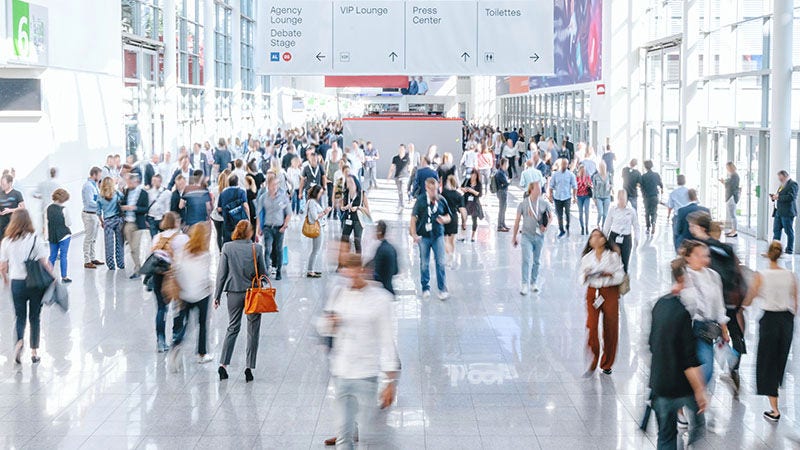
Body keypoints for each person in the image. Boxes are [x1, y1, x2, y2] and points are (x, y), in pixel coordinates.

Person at [316, 253, 400, 450]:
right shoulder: (338, 293)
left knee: (365, 437)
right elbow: (323, 327)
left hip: (366, 375)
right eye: (347, 272)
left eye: (356, 272)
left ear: (365, 271)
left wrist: (390, 382)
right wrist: (330, 324)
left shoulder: (381, 300)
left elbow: (387, 340)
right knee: (343, 435)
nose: (351, 277)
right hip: (341, 372)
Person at [649, 258, 707, 448]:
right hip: (679, 387)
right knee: (698, 429)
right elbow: (688, 358)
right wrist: (699, 390)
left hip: (659, 384)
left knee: (665, 437)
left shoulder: (659, 304)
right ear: (684, 279)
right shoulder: (682, 313)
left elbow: (651, 343)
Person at [686, 210, 748, 391]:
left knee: (704, 345)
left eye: (692, 226)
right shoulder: (726, 248)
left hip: (711, 307)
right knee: (734, 334)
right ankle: (733, 367)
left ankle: (698, 382)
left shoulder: (698, 249)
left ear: (700, 227)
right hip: (731, 300)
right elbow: (737, 270)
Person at [742, 241, 797, 422]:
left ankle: (774, 409)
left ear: (768, 255)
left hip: (770, 321)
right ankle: (777, 391)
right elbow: (795, 305)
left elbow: (748, 300)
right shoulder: (790, 275)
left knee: (767, 362)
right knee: (780, 359)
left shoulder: (761, 275)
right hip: (786, 320)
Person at [215, 220, 267, 383]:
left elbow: (222, 274)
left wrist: (217, 296)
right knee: (253, 329)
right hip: (252, 293)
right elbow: (264, 274)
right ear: (250, 232)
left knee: (233, 327)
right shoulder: (256, 248)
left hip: (233, 292)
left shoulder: (227, 247)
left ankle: (223, 365)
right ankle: (248, 367)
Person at [0, 210, 55, 365]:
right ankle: (34, 352)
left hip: (16, 283)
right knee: (35, 317)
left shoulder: (6, 241)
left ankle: (19, 342)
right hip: (35, 283)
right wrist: (53, 276)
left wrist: (5, 280)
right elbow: (45, 262)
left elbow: (2, 266)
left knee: (20, 316)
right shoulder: (35, 239)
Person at [679, 240, 730, 386]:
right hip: (686, 326)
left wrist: (724, 329)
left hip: (705, 328)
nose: (703, 258)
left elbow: (720, 304)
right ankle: (686, 398)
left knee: (707, 367)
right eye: (698, 255)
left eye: (705, 255)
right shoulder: (682, 274)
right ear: (688, 257)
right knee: (685, 364)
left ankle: (695, 396)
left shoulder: (714, 276)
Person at [169, 223, 214, 371]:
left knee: (184, 323)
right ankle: (201, 353)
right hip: (201, 294)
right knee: (202, 324)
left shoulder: (183, 251)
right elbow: (204, 276)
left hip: (184, 293)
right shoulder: (205, 255)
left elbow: (176, 268)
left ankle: (177, 344)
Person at [580, 229, 625, 375]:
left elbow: (621, 275)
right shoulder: (586, 258)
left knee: (611, 327)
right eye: (592, 237)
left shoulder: (612, 256)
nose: (595, 239)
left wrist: (610, 274)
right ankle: (594, 357)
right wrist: (586, 275)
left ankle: (607, 363)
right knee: (592, 325)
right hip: (593, 292)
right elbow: (580, 278)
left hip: (609, 291)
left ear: (604, 239)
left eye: (598, 236)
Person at [149, 212, 188, 352]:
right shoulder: (182, 238)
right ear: (176, 222)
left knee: (161, 308)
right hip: (175, 276)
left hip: (158, 275)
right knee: (179, 307)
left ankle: (160, 340)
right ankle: (176, 335)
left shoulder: (157, 237)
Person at [410, 178, 451, 300]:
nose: (434, 192)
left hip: (437, 235)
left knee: (440, 262)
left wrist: (444, 219)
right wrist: (413, 234)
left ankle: (442, 288)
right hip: (424, 237)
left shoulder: (442, 200)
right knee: (424, 263)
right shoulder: (421, 201)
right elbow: (413, 218)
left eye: (436, 189)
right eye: (431, 189)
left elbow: (449, 216)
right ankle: (425, 288)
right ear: (427, 188)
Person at [512, 182, 552, 295]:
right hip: (526, 236)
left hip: (539, 236)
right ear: (531, 190)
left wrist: (547, 227)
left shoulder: (544, 203)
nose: (540, 190)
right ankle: (524, 284)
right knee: (526, 259)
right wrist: (514, 236)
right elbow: (517, 221)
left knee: (537, 261)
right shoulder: (523, 204)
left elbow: (550, 217)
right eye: (538, 188)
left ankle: (534, 282)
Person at [257, 173, 292, 280]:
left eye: (276, 185)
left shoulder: (283, 197)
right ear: (268, 185)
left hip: (279, 227)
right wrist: (259, 227)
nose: (275, 187)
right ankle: (265, 272)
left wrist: (285, 226)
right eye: (273, 185)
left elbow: (289, 213)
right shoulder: (263, 198)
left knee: (279, 249)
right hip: (268, 227)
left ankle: (278, 271)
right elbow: (259, 213)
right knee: (267, 249)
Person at [603, 190, 640, 274]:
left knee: (625, 263)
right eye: (620, 199)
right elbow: (607, 224)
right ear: (617, 199)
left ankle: (624, 283)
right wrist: (604, 238)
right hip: (614, 237)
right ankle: (612, 284)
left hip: (626, 238)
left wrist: (637, 237)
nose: (622, 201)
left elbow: (636, 226)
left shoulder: (631, 211)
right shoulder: (613, 209)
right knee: (612, 263)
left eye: (624, 199)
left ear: (626, 199)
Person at [121, 174, 149, 278]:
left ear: (136, 182)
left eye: (130, 183)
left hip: (138, 224)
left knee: (135, 247)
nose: (128, 184)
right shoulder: (128, 191)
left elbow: (145, 209)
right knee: (132, 248)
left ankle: (138, 269)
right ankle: (138, 267)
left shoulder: (143, 194)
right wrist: (123, 207)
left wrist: (134, 208)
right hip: (128, 223)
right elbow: (123, 202)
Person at [97, 177, 125, 270]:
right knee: (119, 243)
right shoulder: (117, 193)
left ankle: (111, 265)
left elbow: (98, 212)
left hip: (107, 221)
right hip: (118, 220)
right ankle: (120, 263)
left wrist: (102, 222)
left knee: (109, 244)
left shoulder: (100, 196)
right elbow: (124, 200)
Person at [46, 189, 72, 283]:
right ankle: (64, 277)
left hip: (52, 236)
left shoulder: (48, 208)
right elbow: (68, 223)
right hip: (64, 236)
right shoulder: (64, 209)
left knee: (52, 256)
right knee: (63, 256)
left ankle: (48, 276)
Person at [305, 185, 331, 278]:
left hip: (319, 227)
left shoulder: (313, 202)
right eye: (320, 193)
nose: (321, 195)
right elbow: (315, 216)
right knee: (316, 250)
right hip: (317, 228)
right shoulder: (312, 202)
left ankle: (311, 269)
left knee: (316, 249)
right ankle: (310, 270)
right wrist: (325, 212)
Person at [340, 175, 370, 256]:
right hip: (348, 219)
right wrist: (346, 207)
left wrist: (357, 208)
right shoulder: (345, 193)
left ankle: (358, 264)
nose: (349, 184)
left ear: (355, 182)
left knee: (357, 241)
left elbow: (367, 210)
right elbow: (341, 208)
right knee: (344, 240)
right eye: (348, 182)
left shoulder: (361, 194)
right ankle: (342, 263)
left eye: (351, 182)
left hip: (358, 220)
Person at [770, 170, 798, 254]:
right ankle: (775, 250)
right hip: (778, 211)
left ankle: (789, 250)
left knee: (788, 231)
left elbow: (791, 197)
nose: (780, 180)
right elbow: (779, 195)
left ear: (785, 176)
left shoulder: (793, 184)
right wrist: (774, 197)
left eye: (781, 178)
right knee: (776, 231)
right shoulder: (782, 185)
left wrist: (778, 197)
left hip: (787, 212)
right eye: (779, 179)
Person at [81, 167, 104, 269]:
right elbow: (90, 202)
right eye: (99, 175)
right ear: (94, 174)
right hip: (89, 215)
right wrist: (102, 204)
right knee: (89, 238)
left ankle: (92, 258)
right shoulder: (88, 186)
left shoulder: (94, 186)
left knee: (94, 239)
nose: (100, 177)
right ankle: (87, 261)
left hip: (94, 214)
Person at [548, 159, 577, 238]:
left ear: (567, 165)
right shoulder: (555, 174)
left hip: (567, 197)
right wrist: (550, 196)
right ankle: (561, 230)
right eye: (563, 164)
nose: (564, 166)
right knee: (559, 215)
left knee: (567, 213)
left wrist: (574, 197)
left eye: (566, 164)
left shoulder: (570, 175)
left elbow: (574, 186)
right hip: (557, 197)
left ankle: (567, 226)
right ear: (561, 164)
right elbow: (551, 186)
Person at [218, 174, 250, 244]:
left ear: (228, 183)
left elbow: (219, 209)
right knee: (241, 240)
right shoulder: (241, 192)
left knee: (228, 242)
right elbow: (245, 206)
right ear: (237, 182)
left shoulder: (223, 193)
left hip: (227, 221)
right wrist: (248, 218)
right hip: (240, 221)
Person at [441, 176, 465, 266]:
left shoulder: (444, 193)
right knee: (452, 240)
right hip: (454, 217)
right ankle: (452, 255)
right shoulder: (458, 195)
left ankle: (449, 255)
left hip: (445, 217)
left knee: (445, 239)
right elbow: (462, 210)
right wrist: (464, 222)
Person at [371, 220, 399, 296]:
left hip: (383, 291)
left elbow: (376, 272)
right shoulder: (392, 248)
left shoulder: (380, 249)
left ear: (379, 232)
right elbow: (396, 270)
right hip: (390, 289)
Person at [0, 174, 26, 243]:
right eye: (1, 183)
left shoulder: (17, 194)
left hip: (13, 224)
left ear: (10, 183)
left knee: (12, 244)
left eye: (3, 184)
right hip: (1, 224)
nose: (1, 185)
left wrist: (10, 210)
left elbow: (23, 208)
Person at [33, 168, 59, 236]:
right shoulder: (56, 184)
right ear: (55, 174)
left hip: (44, 206)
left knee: (44, 223)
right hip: (53, 207)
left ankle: (45, 238)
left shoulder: (42, 184)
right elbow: (59, 196)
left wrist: (42, 197)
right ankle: (52, 237)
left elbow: (34, 194)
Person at [640, 160, 663, 235]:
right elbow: (660, 184)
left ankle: (647, 228)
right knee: (654, 211)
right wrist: (662, 190)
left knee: (647, 212)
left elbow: (641, 187)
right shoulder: (656, 175)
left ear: (645, 167)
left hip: (646, 197)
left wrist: (643, 194)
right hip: (654, 196)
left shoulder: (643, 176)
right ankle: (653, 223)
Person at [719, 162, 740, 237]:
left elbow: (730, 186)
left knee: (733, 215)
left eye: (728, 168)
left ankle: (734, 231)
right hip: (730, 197)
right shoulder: (732, 175)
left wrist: (724, 182)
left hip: (731, 197)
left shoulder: (734, 176)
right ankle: (733, 230)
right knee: (732, 215)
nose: (727, 169)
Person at [461, 171, 483, 242]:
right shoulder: (467, 181)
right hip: (466, 202)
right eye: (472, 175)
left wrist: (472, 191)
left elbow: (479, 194)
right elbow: (461, 187)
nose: (473, 177)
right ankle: (463, 234)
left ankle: (473, 235)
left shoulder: (479, 184)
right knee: (464, 219)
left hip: (474, 203)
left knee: (474, 219)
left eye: (475, 176)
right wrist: (464, 189)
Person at [210, 171, 230, 250]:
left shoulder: (215, 189)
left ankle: (220, 251)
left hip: (216, 216)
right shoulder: (228, 190)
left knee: (219, 234)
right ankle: (226, 250)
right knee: (226, 234)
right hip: (226, 215)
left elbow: (212, 202)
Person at [388, 144, 410, 211]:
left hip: (405, 176)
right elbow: (392, 168)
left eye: (402, 149)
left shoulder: (407, 158)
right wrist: (389, 176)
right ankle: (400, 203)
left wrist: (410, 175)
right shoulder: (395, 158)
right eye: (400, 148)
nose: (401, 150)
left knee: (403, 191)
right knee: (399, 191)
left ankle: (402, 205)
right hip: (397, 177)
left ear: (404, 150)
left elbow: (409, 167)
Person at [592, 161, 612, 228]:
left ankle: (604, 226)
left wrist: (610, 186)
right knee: (600, 213)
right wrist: (594, 198)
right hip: (598, 197)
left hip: (607, 196)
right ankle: (598, 223)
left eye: (603, 166)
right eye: (601, 167)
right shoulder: (596, 176)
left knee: (605, 214)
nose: (602, 168)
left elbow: (612, 184)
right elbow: (594, 188)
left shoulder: (609, 175)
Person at [575, 164, 592, 235]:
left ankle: (587, 226)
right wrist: (574, 197)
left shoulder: (588, 177)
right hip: (579, 196)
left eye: (584, 170)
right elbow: (574, 188)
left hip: (586, 196)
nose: (583, 172)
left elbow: (591, 185)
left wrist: (589, 185)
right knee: (580, 213)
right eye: (582, 170)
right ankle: (582, 227)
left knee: (587, 212)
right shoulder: (576, 178)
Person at [495, 158, 510, 232]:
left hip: (502, 191)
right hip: (502, 192)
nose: (508, 165)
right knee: (502, 209)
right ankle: (500, 225)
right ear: (503, 164)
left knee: (503, 209)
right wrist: (508, 181)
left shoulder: (502, 172)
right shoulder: (500, 173)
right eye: (507, 164)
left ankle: (503, 223)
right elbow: (506, 182)